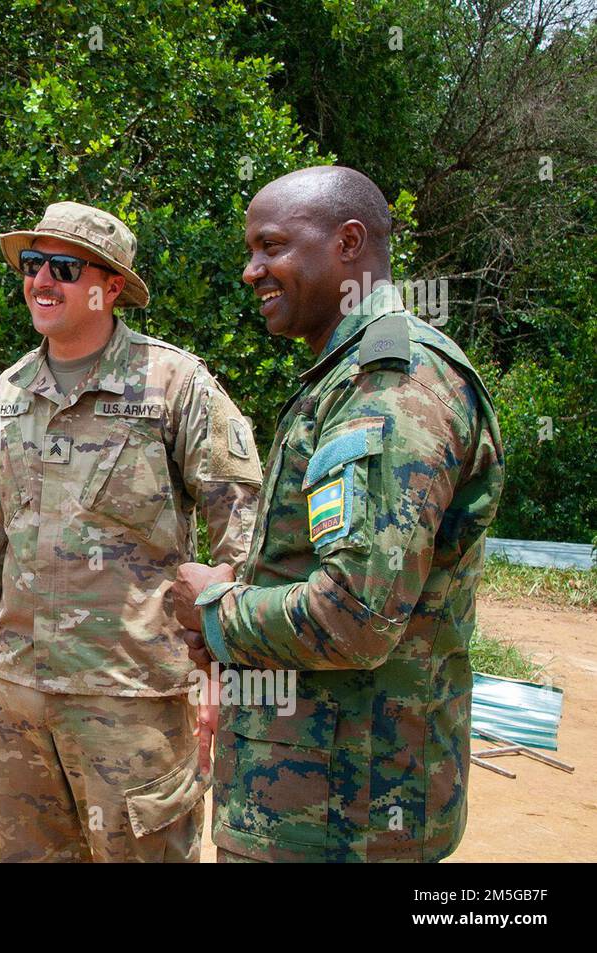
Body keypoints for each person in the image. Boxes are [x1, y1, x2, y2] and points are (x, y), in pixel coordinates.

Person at [172, 165, 505, 862]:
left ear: (348, 243)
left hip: (341, 820)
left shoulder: (388, 384)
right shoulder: (350, 374)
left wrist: (214, 609)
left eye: (272, 247)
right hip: (319, 807)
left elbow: (355, 615)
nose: (250, 270)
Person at [0, 201, 263, 862]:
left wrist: (230, 658)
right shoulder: (9, 392)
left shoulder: (174, 384)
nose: (41, 281)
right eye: (33, 264)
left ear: (110, 286)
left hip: (135, 696)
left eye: (64, 265)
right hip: (25, 694)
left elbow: (243, 525)